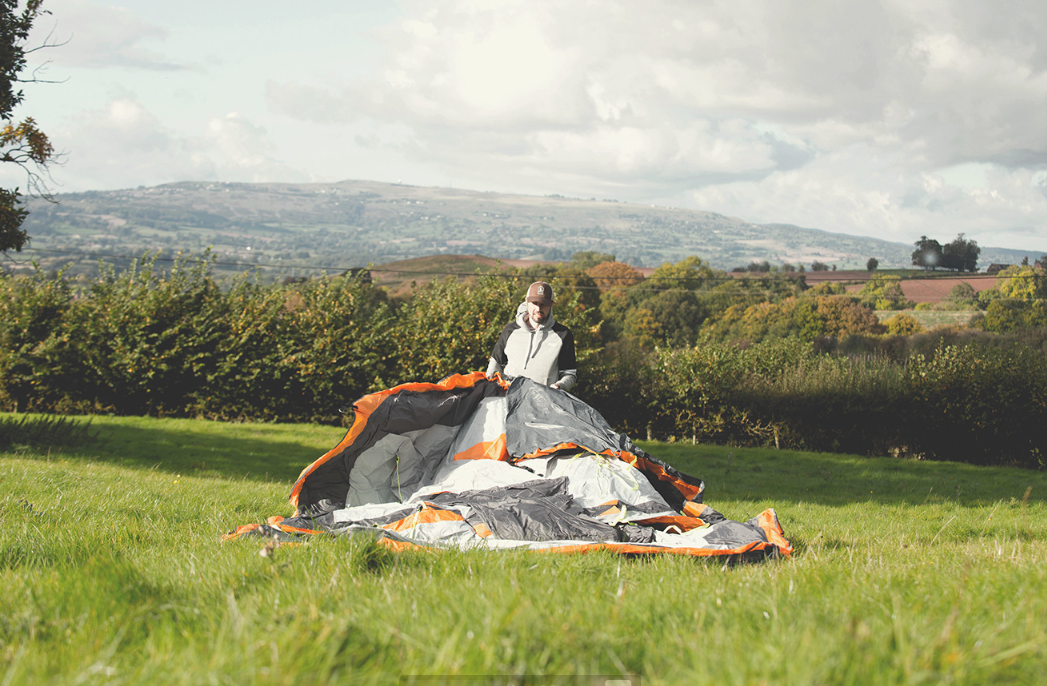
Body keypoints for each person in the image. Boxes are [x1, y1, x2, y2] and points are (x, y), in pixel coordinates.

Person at [487, 281, 577, 391]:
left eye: (543, 304)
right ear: (527, 302)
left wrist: (559, 386)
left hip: (543, 402)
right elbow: (496, 361)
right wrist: (490, 378)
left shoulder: (562, 335)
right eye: (535, 303)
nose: (538, 309)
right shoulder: (510, 330)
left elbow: (569, 374)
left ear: (551, 304)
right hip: (508, 398)